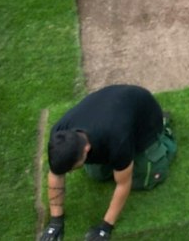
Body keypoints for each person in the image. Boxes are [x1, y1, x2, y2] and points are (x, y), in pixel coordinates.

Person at [39, 84, 176, 241]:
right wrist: (56, 222)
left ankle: (165, 133)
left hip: (146, 118)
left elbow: (123, 183)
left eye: (71, 168)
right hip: (115, 109)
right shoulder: (59, 132)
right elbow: (55, 174)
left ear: (86, 149)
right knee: (96, 174)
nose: (69, 173)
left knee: (143, 179)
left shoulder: (117, 139)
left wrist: (106, 227)